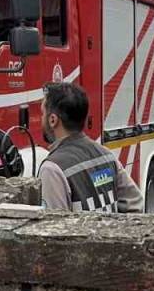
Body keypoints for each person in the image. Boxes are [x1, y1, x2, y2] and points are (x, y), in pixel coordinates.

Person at [37, 82, 142, 213]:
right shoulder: (107, 156)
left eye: (42, 113)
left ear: (53, 120)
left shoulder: (52, 169)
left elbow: (54, 229)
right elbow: (135, 204)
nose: (41, 119)